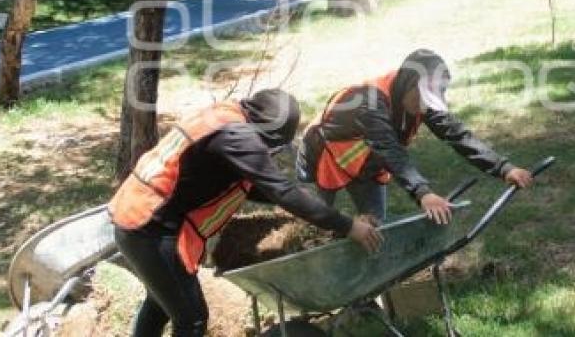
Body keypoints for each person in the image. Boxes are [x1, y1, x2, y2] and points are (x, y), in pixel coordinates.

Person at [109, 89, 382, 337]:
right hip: (149, 226)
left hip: (136, 214)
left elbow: (256, 186)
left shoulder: (225, 118)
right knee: (191, 320)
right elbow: (281, 190)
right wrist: (348, 226)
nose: (269, 153)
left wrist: (308, 210)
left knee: (159, 304)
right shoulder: (237, 138)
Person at [296, 49, 534, 225]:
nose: (424, 107)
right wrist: (423, 193)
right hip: (323, 155)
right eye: (421, 97)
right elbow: (390, 149)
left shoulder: (419, 100)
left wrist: (503, 168)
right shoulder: (370, 100)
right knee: (313, 226)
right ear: (407, 84)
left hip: (367, 164)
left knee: (374, 228)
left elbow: (457, 134)